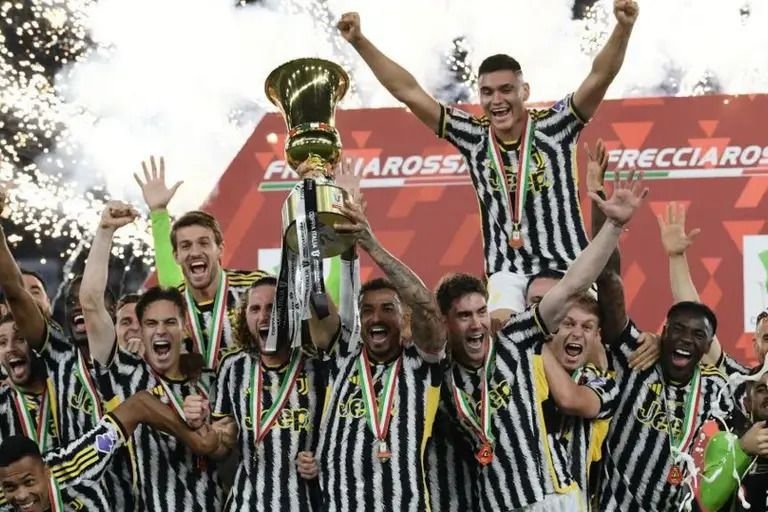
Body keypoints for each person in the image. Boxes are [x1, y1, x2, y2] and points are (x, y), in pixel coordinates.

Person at [337, 1, 639, 324]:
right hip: (507, 272)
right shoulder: (473, 136)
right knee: (500, 331)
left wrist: (623, 27)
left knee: (578, 330)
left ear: (525, 91)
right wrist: (360, 42)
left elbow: (600, 76)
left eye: (506, 90)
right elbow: (409, 92)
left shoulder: (557, 125)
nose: (497, 100)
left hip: (567, 263)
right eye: (487, 92)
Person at [436, 168, 646, 511]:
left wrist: (612, 226)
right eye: (464, 316)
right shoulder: (465, 365)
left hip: (555, 500)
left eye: (481, 312)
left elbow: (575, 286)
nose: (476, 323)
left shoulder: (591, 375)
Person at [80, 201, 230, 511]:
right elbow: (92, 303)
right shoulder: (127, 373)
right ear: (142, 330)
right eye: (151, 324)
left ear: (184, 327)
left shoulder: (209, 378)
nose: (160, 331)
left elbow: (224, 449)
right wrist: (105, 231)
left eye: (169, 322)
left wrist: (205, 429)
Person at [310, 191, 445, 511]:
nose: (376, 318)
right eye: (367, 311)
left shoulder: (420, 364)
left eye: (387, 309)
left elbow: (427, 306)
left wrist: (370, 245)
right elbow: (316, 304)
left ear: (404, 317)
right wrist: (307, 244)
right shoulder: (342, 360)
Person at [0, 185, 133, 511]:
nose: (79, 307)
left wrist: (104, 232)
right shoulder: (56, 360)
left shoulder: (117, 363)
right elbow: (14, 291)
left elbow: (90, 299)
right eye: (71, 302)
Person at [189, 275, 324, 511]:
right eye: (255, 309)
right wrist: (204, 429)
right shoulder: (233, 366)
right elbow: (222, 445)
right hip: (248, 503)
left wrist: (321, 462)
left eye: (273, 307)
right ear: (245, 317)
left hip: (304, 503)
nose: (263, 316)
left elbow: (340, 436)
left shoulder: (317, 365)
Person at [134, 156, 269, 370]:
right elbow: (169, 279)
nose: (195, 252)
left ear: (220, 249)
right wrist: (158, 212)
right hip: (195, 393)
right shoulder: (173, 304)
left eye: (204, 243)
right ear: (176, 256)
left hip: (252, 390)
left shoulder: (254, 288)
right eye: (186, 246)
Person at [0, 389, 219, 512]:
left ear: (47, 472)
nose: (21, 495)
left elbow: (138, 406)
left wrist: (196, 441)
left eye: (29, 482)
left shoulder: (77, 463)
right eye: (10, 487)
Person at [700, 369, 768, 512]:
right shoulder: (726, 441)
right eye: (762, 390)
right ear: (748, 403)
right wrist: (742, 448)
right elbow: (708, 501)